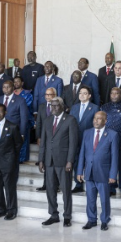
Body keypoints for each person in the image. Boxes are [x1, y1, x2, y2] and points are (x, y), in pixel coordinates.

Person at [38, 97, 78, 227]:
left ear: (62, 106)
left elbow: (73, 143)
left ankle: (67, 216)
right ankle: (53, 215)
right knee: (50, 189)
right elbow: (43, 142)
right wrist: (41, 159)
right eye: (51, 105)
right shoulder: (47, 120)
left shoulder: (70, 120)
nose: (53, 108)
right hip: (49, 160)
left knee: (66, 190)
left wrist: (70, 161)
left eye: (56, 105)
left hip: (63, 161)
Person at [77, 111, 119, 230]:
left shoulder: (112, 134)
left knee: (104, 199)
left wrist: (113, 175)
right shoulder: (87, 132)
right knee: (90, 198)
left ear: (105, 121)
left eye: (99, 119)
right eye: (95, 118)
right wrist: (79, 171)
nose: (96, 120)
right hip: (89, 171)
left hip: (103, 173)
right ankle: (91, 220)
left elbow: (114, 156)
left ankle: (105, 220)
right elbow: (82, 153)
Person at [0, 104, 23, 220]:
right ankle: (1, 209)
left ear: (5, 113)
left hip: (8, 162)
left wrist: (11, 157)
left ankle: (11, 211)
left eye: (0, 112)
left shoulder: (12, 126)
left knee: (9, 187)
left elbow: (18, 144)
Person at [70, 86, 99, 193]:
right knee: (76, 160)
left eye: (85, 93)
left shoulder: (95, 108)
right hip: (75, 138)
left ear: (89, 95)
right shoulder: (74, 107)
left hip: (88, 139)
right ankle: (78, 184)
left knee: (89, 161)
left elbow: (96, 124)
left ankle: (92, 183)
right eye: (80, 93)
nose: (82, 95)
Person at [0, 80, 28, 151]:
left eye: (8, 87)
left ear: (13, 88)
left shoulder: (20, 100)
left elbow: (24, 118)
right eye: (4, 87)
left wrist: (22, 133)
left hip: (13, 131)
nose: (6, 89)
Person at [34, 87, 56, 191]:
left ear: (55, 95)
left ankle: (55, 185)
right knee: (45, 161)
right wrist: (38, 137)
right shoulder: (42, 106)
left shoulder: (58, 106)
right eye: (46, 94)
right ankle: (45, 184)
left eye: (50, 94)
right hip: (44, 137)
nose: (48, 96)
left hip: (55, 137)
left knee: (53, 162)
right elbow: (38, 122)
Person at [13, 76, 34, 163]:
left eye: (18, 81)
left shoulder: (27, 94)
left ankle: (21, 158)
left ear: (22, 83)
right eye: (14, 82)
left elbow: (27, 106)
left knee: (23, 139)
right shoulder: (11, 93)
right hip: (13, 120)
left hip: (23, 119)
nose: (16, 83)